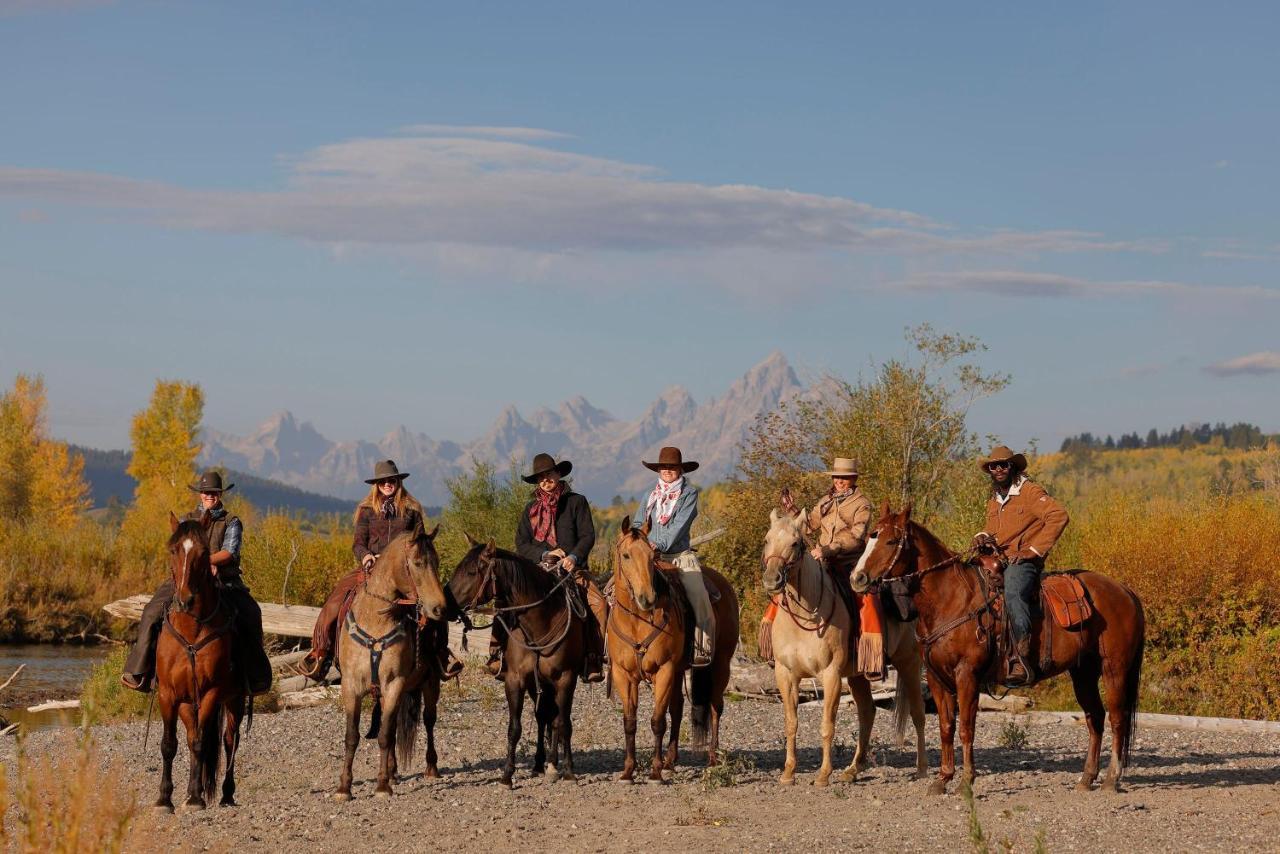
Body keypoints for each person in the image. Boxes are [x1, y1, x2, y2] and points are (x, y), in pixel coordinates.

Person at [298, 460, 462, 681]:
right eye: (383, 481)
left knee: (436, 603)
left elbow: (421, 543)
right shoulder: (366, 510)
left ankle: (441, 655)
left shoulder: (412, 511)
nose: (387, 484)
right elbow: (358, 543)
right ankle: (321, 653)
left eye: (391, 480)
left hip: (405, 573)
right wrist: (366, 556)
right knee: (335, 602)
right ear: (376, 484)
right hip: (370, 569)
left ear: (398, 482)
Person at [121, 471, 273, 694]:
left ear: (220, 494)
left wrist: (208, 560)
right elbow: (178, 550)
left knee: (251, 612)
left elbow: (230, 552)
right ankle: (140, 671)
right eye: (206, 492)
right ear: (200, 494)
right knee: (151, 611)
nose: (209, 496)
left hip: (224, 580)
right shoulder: (185, 520)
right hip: (186, 578)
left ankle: (255, 674)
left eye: (213, 492)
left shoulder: (231, 522)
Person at [493, 453, 606, 682]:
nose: (545, 480)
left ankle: (592, 657)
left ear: (558, 474)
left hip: (572, 570)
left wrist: (573, 556)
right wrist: (544, 554)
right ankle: (498, 656)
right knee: (503, 601)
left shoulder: (576, 502)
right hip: (538, 571)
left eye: (549, 474)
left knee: (599, 604)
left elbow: (587, 536)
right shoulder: (530, 509)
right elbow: (521, 543)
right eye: (540, 477)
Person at [763, 457, 880, 675]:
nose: (839, 481)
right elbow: (807, 526)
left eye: (844, 478)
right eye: (837, 477)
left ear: (853, 479)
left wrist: (828, 549)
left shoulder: (862, 504)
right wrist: (793, 511)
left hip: (849, 562)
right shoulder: (826, 500)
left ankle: (867, 655)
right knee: (782, 592)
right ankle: (771, 646)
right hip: (822, 561)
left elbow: (857, 536)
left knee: (866, 598)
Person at [972, 445, 1069, 686]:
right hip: (998, 558)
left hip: (1023, 561)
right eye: (994, 466)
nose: (998, 469)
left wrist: (1033, 551)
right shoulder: (994, 498)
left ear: (1012, 467)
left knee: (1014, 591)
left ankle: (1020, 656)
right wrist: (982, 535)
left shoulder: (1030, 491)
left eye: (1003, 465)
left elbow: (1059, 516)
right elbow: (993, 529)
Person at [630, 446, 714, 667]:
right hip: (649, 556)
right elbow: (639, 523)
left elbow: (678, 526)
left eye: (672, 467)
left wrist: (657, 544)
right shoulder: (650, 495)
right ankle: (613, 648)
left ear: (680, 470)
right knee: (614, 591)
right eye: (664, 467)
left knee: (699, 595)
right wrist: (638, 541)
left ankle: (701, 647)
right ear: (658, 469)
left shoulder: (689, 494)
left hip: (678, 556)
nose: (667, 470)